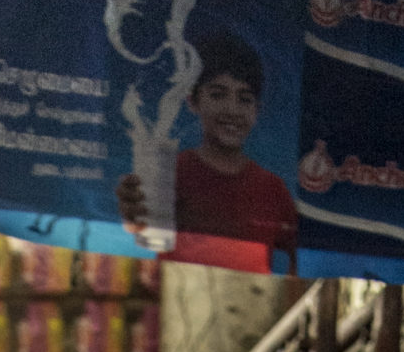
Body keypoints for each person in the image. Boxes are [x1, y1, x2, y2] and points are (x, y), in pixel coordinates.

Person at [116, 28, 299, 267]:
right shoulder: (170, 174)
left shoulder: (273, 190)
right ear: (193, 101)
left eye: (244, 99)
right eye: (217, 94)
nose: (232, 110)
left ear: (257, 110)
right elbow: (139, 232)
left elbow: (298, 262)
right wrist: (130, 213)